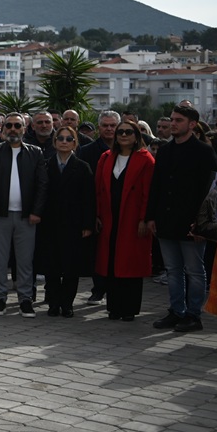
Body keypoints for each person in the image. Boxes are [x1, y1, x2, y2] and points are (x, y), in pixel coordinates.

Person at [148, 105, 217, 333]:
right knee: (173, 270)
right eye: (172, 119)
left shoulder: (203, 152)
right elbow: (156, 186)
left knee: (195, 271)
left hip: (192, 223)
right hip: (166, 220)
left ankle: (193, 315)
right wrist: (151, 216)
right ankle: (176, 310)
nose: (173, 123)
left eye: (178, 120)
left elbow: (211, 190)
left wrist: (202, 223)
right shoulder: (166, 150)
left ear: (191, 124)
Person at [0, 114, 48, 317]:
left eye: (17, 125)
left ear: (24, 128)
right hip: (0, 216)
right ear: (3, 128)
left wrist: (36, 211)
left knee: (25, 260)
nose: (13, 129)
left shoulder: (35, 152)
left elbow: (42, 184)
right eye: (9, 125)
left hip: (26, 216)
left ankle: (25, 299)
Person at [94, 121, 154, 321]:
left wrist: (144, 219)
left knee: (131, 264)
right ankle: (114, 307)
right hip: (110, 218)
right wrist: (97, 215)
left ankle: (128, 309)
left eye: (128, 132)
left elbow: (149, 192)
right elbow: (98, 190)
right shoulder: (106, 157)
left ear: (137, 136)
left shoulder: (146, 160)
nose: (123, 135)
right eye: (120, 132)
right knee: (112, 262)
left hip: (133, 219)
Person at [37, 127, 95, 318]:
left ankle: (67, 304)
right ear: (54, 142)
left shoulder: (83, 167)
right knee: (52, 266)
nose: (64, 141)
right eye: (60, 138)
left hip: (74, 224)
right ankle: (53, 303)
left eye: (68, 138)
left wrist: (87, 224)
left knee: (71, 266)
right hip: (49, 223)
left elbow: (89, 198)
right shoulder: (45, 165)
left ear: (74, 143)